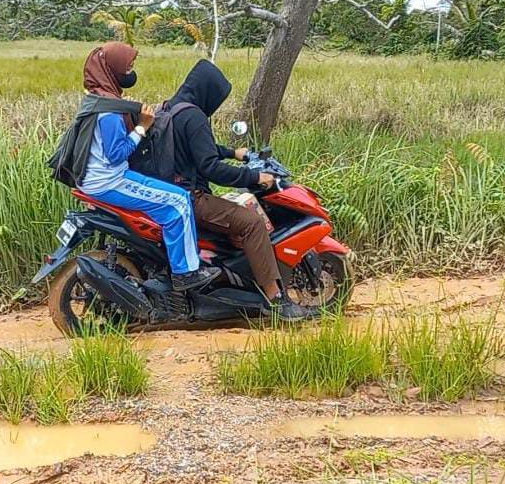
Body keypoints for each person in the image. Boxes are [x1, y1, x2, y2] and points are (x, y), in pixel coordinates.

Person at [51, 43, 219, 291]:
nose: (130, 72)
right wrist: (142, 126)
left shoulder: (98, 98)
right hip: (110, 180)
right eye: (127, 67)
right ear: (112, 69)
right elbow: (116, 154)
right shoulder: (109, 111)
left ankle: (164, 261)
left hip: (96, 178)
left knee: (175, 196)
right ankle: (185, 273)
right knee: (179, 203)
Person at [166, 59, 311, 320]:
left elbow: (199, 148)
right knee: (252, 222)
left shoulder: (173, 108)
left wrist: (233, 152)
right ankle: (275, 300)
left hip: (172, 192)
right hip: (192, 198)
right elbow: (210, 167)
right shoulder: (194, 117)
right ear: (208, 91)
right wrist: (255, 177)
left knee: (235, 218)